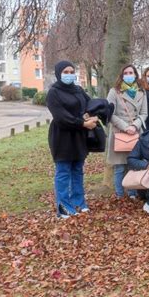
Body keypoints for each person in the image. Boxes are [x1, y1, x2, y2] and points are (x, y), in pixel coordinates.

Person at [46, 60, 98, 218]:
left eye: (71, 72)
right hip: (62, 137)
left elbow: (90, 104)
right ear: (58, 74)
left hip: (79, 137)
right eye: (65, 72)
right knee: (63, 172)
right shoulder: (53, 92)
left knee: (77, 170)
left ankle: (79, 202)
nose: (69, 75)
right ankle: (63, 207)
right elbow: (61, 117)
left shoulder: (78, 90)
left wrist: (95, 113)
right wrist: (83, 123)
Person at [106, 64, 148, 199]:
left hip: (136, 132)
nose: (129, 75)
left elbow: (144, 113)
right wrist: (125, 127)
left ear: (135, 75)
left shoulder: (142, 91)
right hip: (120, 132)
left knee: (134, 164)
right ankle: (119, 194)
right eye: (126, 73)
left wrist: (135, 126)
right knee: (119, 167)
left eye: (131, 72)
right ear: (122, 75)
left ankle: (132, 193)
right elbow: (109, 113)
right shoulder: (114, 91)